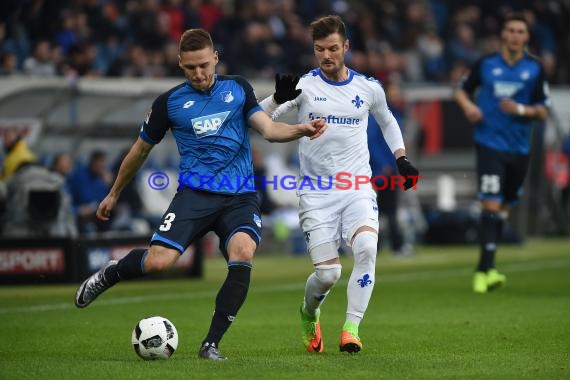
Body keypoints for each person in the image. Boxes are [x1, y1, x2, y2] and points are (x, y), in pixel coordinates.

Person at [74, 28, 326, 360]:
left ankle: (211, 344)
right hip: (195, 196)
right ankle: (112, 272)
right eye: (190, 67)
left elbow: (267, 128)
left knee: (243, 251)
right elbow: (139, 151)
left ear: (215, 58)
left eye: (204, 65)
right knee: (159, 263)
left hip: (239, 196)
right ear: (179, 63)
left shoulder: (237, 89)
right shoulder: (169, 103)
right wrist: (113, 193)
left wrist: (300, 129)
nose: (199, 73)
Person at [260, 15, 419, 353]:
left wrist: (401, 157)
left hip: (357, 186)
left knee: (366, 249)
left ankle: (351, 328)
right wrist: (276, 99)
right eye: (320, 49)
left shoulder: (368, 87)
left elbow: (388, 122)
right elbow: (260, 120)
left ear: (346, 46)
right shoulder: (304, 87)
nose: (327, 55)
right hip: (315, 193)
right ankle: (309, 311)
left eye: (333, 48)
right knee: (328, 275)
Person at [454, 13, 550, 294]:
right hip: (489, 144)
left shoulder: (535, 69)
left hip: (520, 147)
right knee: (492, 204)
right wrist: (469, 107)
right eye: (510, 30)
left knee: (504, 207)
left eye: (520, 31)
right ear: (503, 35)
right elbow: (460, 91)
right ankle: (485, 270)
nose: (515, 35)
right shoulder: (485, 64)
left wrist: (521, 110)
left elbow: (543, 109)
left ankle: (487, 264)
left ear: (526, 37)